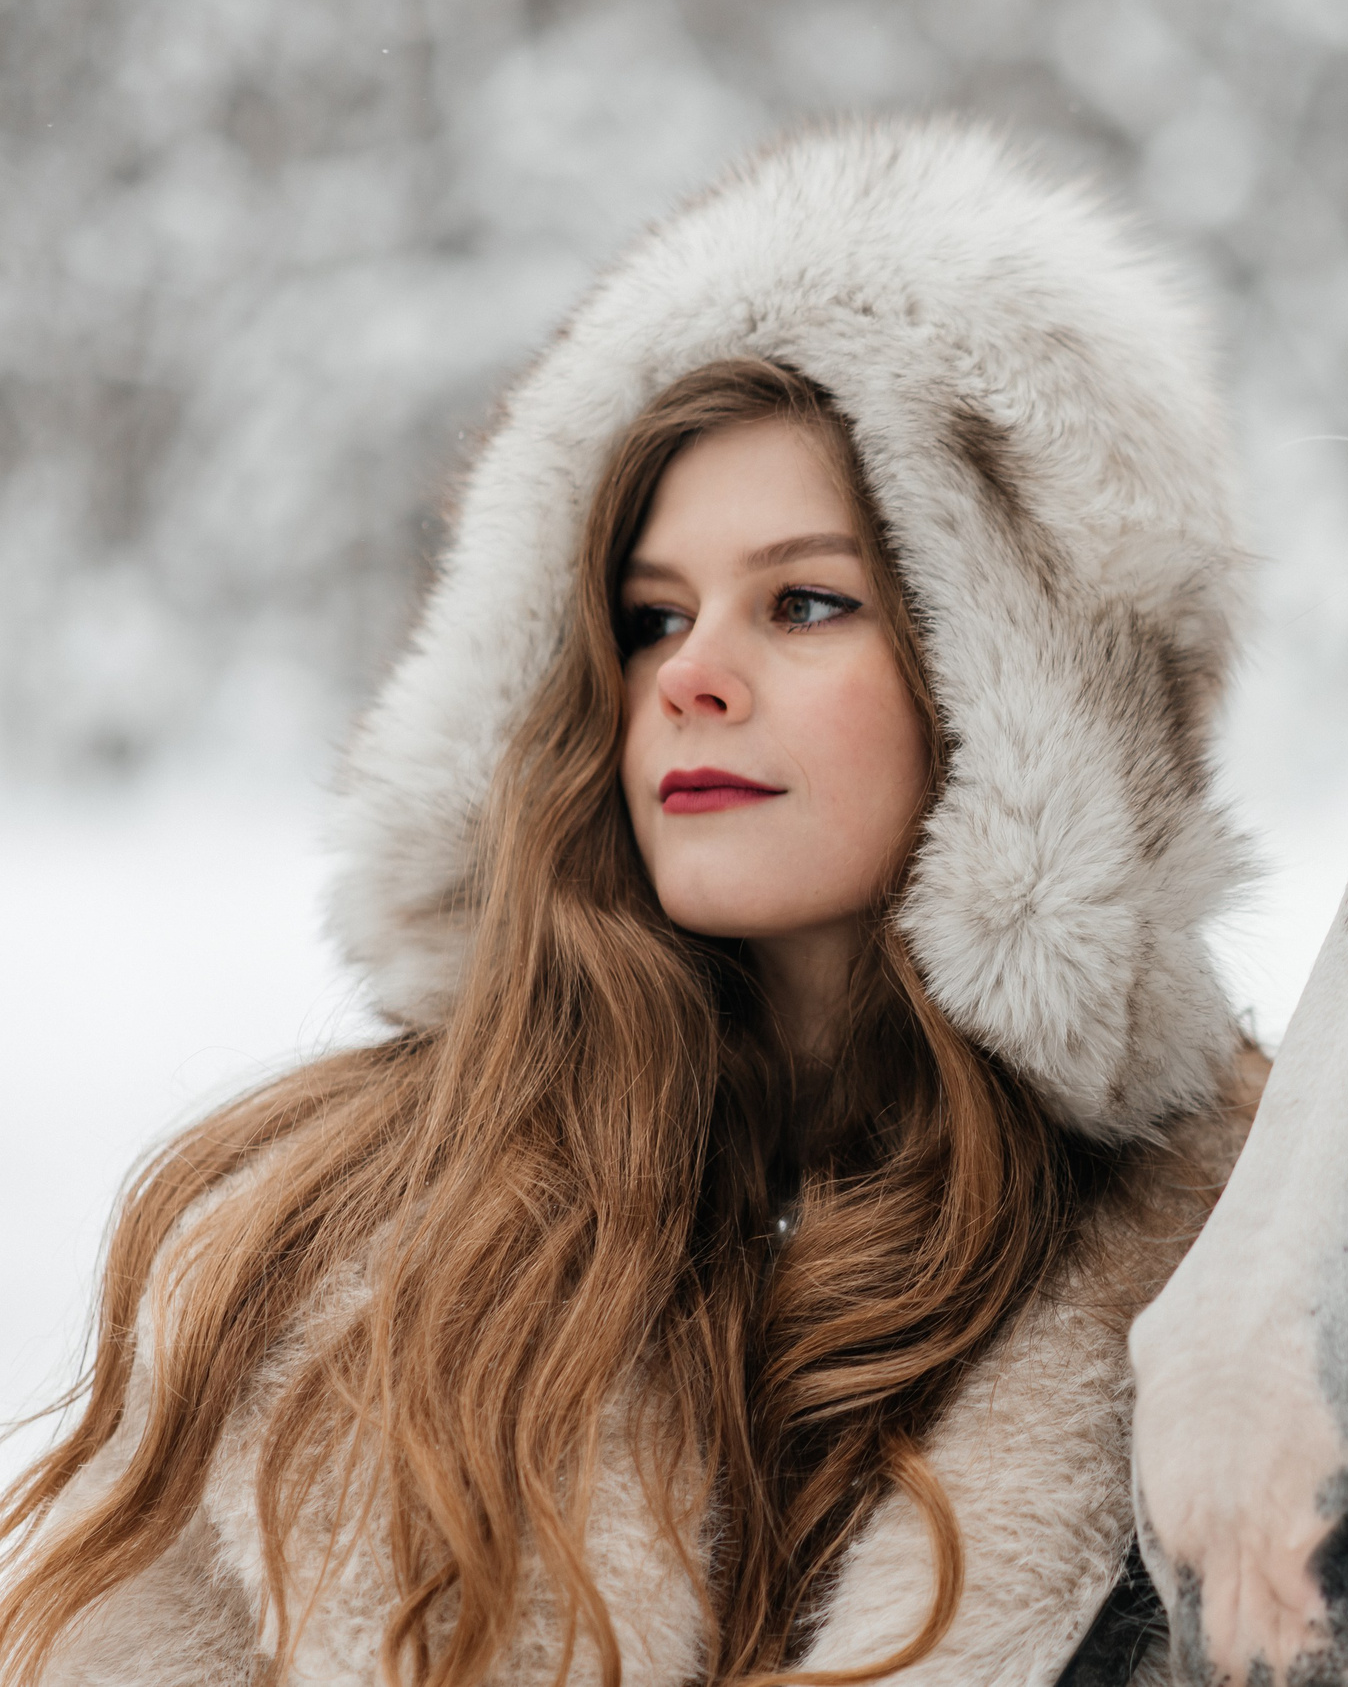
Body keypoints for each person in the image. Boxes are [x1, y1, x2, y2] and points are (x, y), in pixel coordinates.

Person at [0, 118, 1262, 1687]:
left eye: (805, 602)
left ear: (1024, 694)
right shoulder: (319, 1254)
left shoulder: (1257, 1287)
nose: (691, 680)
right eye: (651, 617)